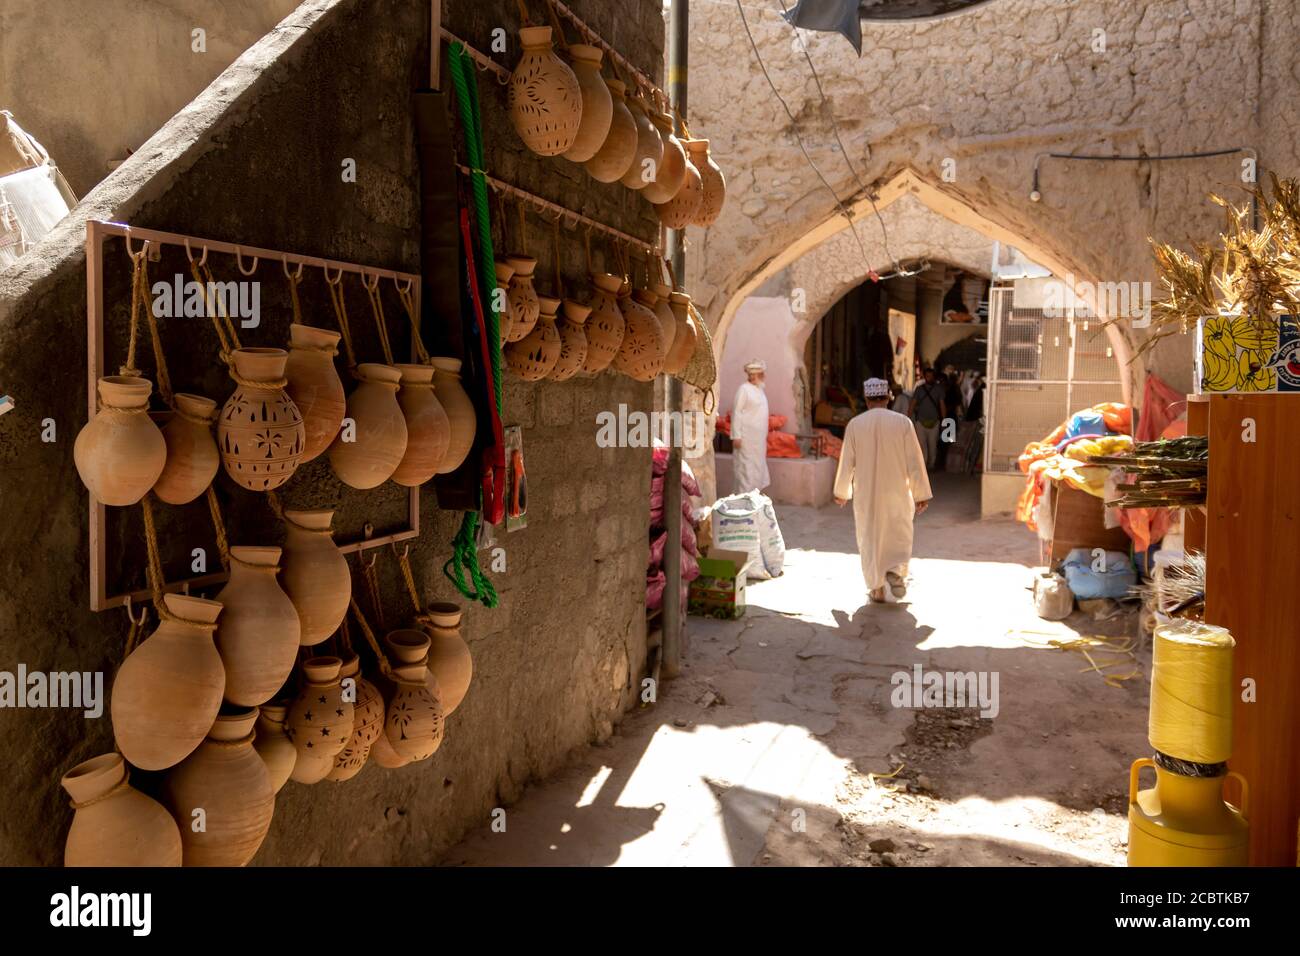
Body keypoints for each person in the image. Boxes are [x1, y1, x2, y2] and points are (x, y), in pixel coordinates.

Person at [835, 378, 933, 603]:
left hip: (866, 493)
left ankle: (876, 587)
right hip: (897, 491)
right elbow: (915, 462)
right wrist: (921, 494)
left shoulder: (855, 425)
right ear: (888, 398)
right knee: (897, 532)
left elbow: (847, 462)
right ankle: (896, 570)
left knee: (870, 537)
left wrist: (841, 492)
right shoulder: (903, 423)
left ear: (867, 400)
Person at [731, 358, 770, 493]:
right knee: (745, 470)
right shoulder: (744, 389)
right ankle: (743, 503)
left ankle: (754, 501)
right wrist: (736, 436)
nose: (764, 376)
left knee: (758, 470)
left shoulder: (759, 390)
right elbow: (737, 412)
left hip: (758, 441)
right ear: (756, 375)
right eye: (762, 374)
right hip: (745, 440)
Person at [909, 366, 946, 470]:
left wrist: (944, 420)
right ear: (924, 377)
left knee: (933, 445)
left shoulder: (939, 389)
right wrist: (908, 418)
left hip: (935, 422)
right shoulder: (919, 389)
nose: (929, 378)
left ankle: (931, 464)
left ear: (934, 377)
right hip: (920, 421)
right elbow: (913, 404)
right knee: (921, 445)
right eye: (927, 376)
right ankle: (924, 465)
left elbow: (942, 405)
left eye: (931, 376)